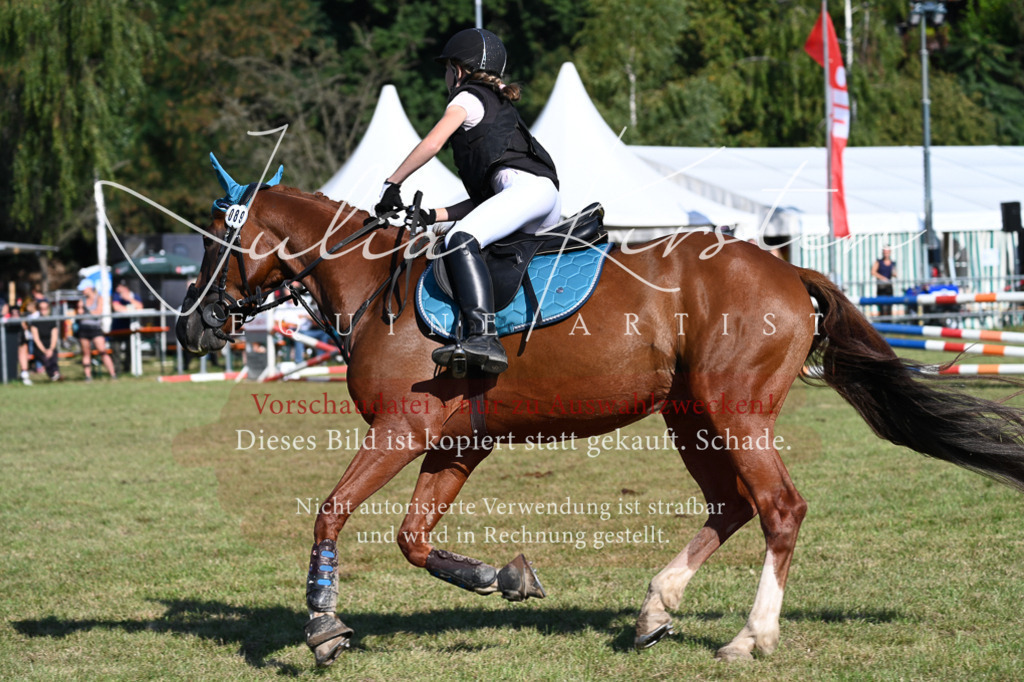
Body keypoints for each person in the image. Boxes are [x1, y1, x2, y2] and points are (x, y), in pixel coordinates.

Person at [374, 28, 560, 375]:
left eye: (446, 69)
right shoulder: (497, 108)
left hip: (528, 193)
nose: (446, 77)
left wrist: (392, 183)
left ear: (458, 70)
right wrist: (431, 214)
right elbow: (486, 201)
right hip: (539, 197)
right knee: (471, 238)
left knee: (459, 240)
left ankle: (483, 337)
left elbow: (431, 143)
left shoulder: (467, 97)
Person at [76, 280, 118, 381]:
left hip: (95, 328)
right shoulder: (82, 300)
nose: (82, 291)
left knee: (103, 351)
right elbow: (79, 313)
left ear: (89, 287)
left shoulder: (99, 298)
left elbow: (97, 313)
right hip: (84, 328)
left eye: (84, 289)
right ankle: (88, 376)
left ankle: (113, 374)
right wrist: (81, 310)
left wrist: (87, 310)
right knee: (86, 353)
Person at [111, 280, 143, 374]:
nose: (117, 288)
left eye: (119, 286)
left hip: (130, 328)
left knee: (130, 349)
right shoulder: (116, 296)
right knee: (116, 350)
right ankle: (117, 371)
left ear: (125, 287)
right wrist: (131, 309)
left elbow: (140, 307)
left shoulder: (134, 296)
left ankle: (127, 369)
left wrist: (129, 299)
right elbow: (116, 307)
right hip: (117, 328)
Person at [28, 299, 61, 381]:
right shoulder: (35, 322)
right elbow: (36, 339)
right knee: (45, 357)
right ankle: (54, 374)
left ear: (49, 309)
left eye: (45, 308)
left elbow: (54, 337)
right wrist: (45, 350)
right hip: (39, 348)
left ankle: (55, 374)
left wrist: (50, 349)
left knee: (53, 356)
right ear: (38, 309)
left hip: (50, 346)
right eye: (41, 308)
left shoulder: (52, 321)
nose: (43, 311)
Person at [871, 246, 898, 317]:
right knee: (882, 307)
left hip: (889, 287)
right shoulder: (879, 262)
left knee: (889, 306)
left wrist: (895, 274)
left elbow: (895, 273)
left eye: (887, 252)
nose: (886, 254)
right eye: (885, 252)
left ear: (890, 252)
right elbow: (873, 272)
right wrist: (882, 278)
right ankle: (882, 324)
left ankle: (890, 325)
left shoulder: (892, 263)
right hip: (881, 287)